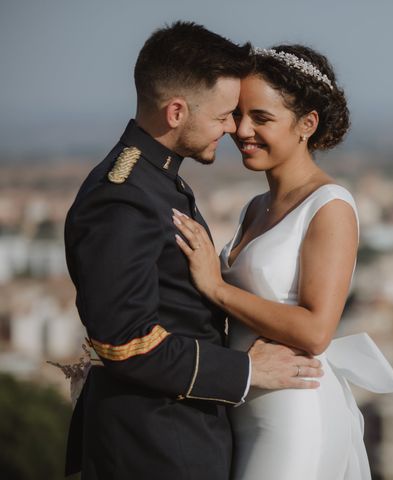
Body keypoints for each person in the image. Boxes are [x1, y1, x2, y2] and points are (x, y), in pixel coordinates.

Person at [62, 23, 323, 480]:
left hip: (176, 434)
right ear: (177, 111)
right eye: (224, 115)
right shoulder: (123, 196)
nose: (233, 128)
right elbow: (124, 341)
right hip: (156, 445)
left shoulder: (154, 181)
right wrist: (242, 370)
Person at [173, 44, 393, 480]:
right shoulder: (255, 207)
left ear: (307, 124)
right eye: (238, 115)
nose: (242, 130)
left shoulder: (330, 205)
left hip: (296, 417)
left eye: (261, 118)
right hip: (245, 411)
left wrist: (216, 287)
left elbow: (317, 332)